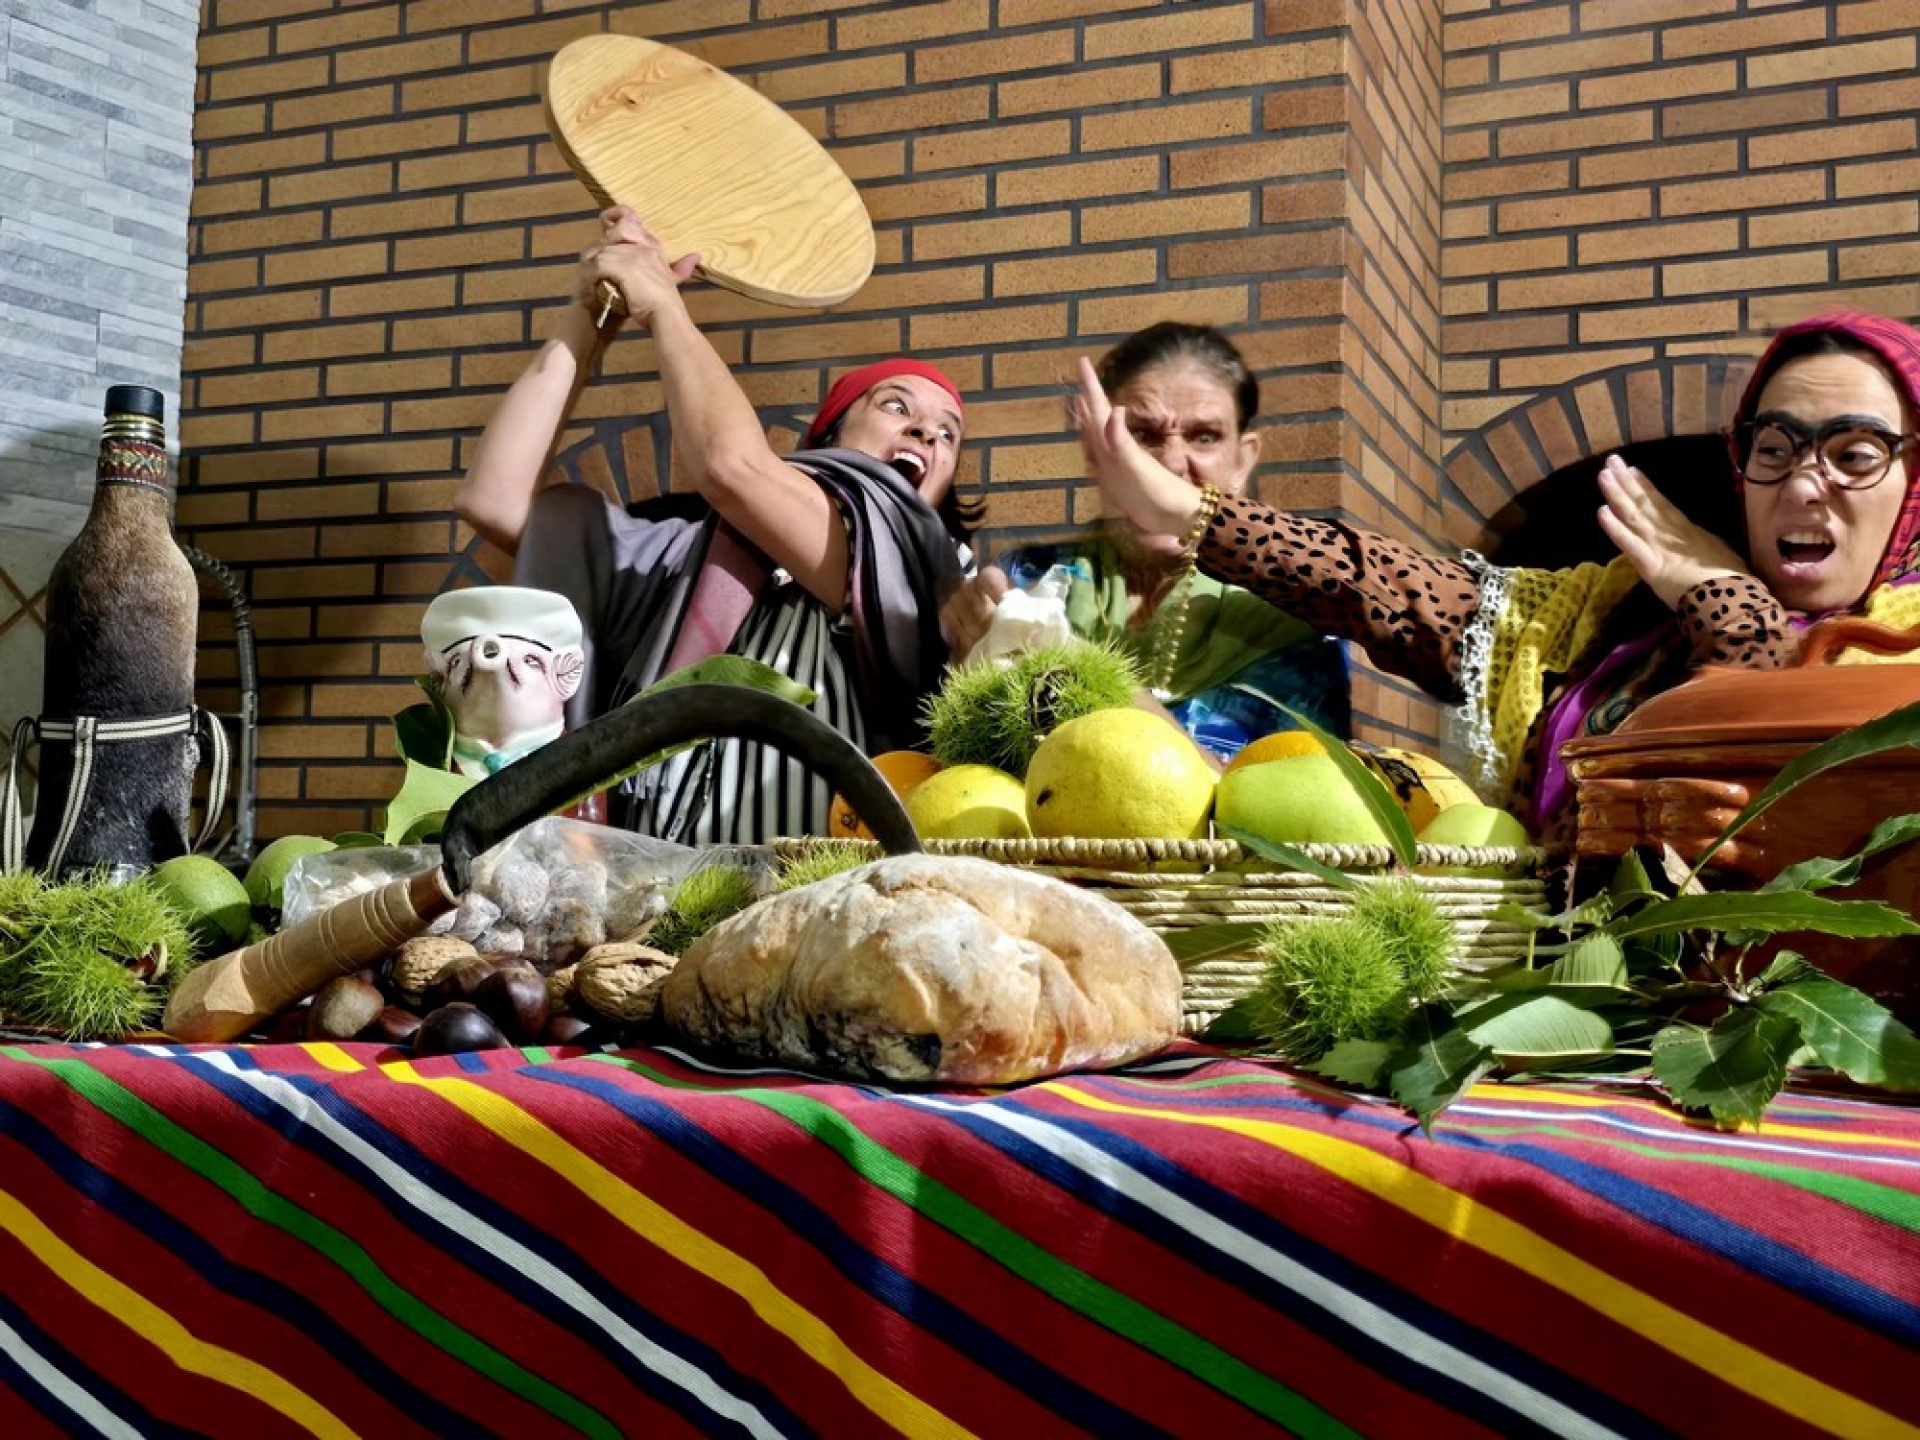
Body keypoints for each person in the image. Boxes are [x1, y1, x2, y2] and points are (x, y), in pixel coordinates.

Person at [1073, 309, 1920, 840]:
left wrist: (1727, 603)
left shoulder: (1905, 654)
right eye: (1774, 448)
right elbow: (1388, 587)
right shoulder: (1614, 613)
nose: (1803, 485)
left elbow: (1767, 805)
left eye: (1854, 454)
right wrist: (1193, 512)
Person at [453, 206, 973, 843]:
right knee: (569, 510)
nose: (927, 432)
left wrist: (663, 306)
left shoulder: (925, 567)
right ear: (828, 436)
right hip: (657, 890)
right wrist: (592, 315)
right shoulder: (697, 564)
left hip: (820, 888)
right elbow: (495, 499)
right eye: (897, 406)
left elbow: (732, 469)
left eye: (949, 433)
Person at [941, 322, 1350, 760]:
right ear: (1096, 453)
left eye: (1204, 436)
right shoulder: (1027, 579)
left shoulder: (1288, 616)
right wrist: (969, 669)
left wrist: (1080, 671)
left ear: (1242, 462)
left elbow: (1287, 794)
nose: (1171, 463)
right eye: (1141, 434)